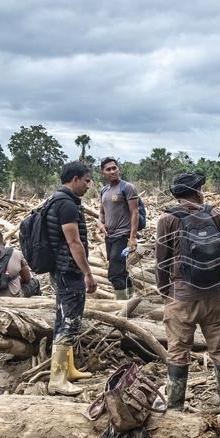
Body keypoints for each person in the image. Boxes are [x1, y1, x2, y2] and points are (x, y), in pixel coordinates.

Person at [156, 172, 220, 411]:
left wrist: (165, 291)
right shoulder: (214, 213)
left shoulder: (167, 219)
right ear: (198, 192)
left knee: (177, 351)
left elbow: (161, 261)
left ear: (178, 195)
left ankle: (176, 407)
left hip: (181, 296)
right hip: (214, 294)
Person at [45, 161, 97, 395]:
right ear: (74, 179)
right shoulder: (66, 205)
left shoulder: (57, 199)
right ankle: (57, 378)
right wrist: (87, 273)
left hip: (60, 268)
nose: (89, 185)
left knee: (64, 317)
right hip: (68, 270)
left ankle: (69, 369)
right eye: (86, 180)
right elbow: (74, 242)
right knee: (69, 321)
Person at [98, 157, 142, 299]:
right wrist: (101, 223)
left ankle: (122, 306)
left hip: (122, 236)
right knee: (121, 270)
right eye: (108, 169)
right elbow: (101, 212)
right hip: (109, 236)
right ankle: (130, 298)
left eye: (114, 168)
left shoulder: (127, 188)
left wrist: (132, 238)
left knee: (114, 274)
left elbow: (134, 212)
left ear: (119, 169)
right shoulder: (104, 190)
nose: (112, 171)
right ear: (103, 173)